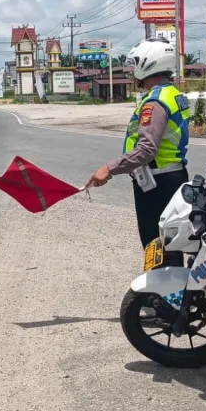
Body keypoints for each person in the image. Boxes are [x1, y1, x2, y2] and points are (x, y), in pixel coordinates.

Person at [85, 38, 190, 261]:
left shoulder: (155, 102)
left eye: (136, 65)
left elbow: (146, 149)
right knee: (169, 245)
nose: (133, 72)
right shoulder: (173, 94)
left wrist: (109, 168)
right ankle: (169, 289)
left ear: (148, 64)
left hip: (157, 185)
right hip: (171, 177)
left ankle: (159, 293)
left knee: (156, 245)